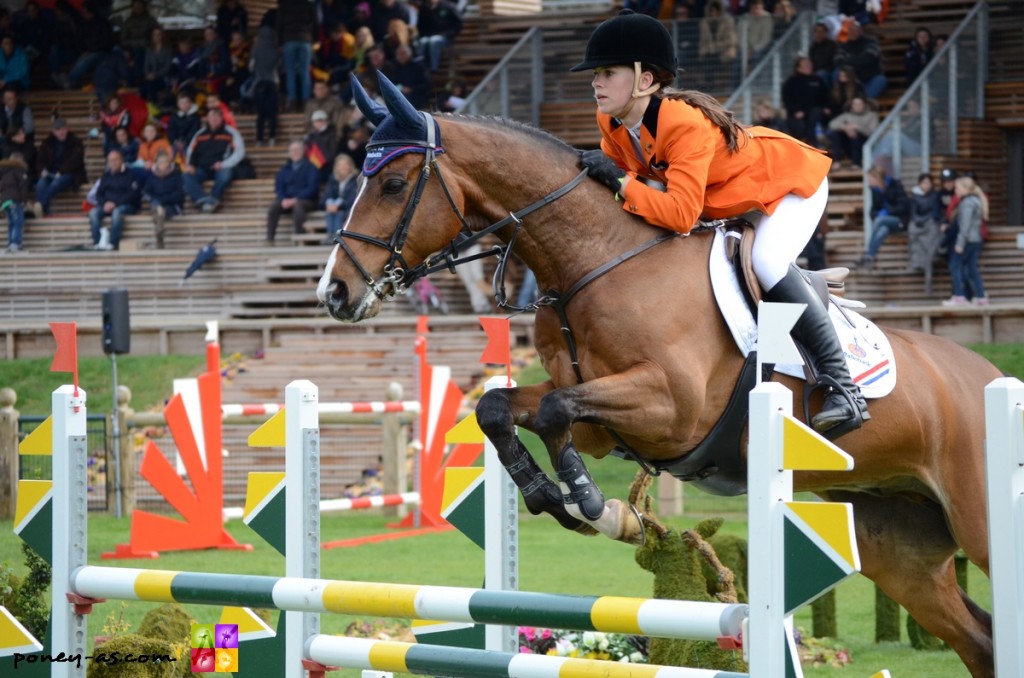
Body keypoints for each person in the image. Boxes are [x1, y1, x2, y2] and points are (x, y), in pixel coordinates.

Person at [572, 9, 867, 436]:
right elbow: (631, 197)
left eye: (607, 72)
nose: (595, 81)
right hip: (725, 200)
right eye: (595, 73)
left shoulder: (682, 122)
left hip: (786, 185)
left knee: (766, 260)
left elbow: (678, 214)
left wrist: (619, 180)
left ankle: (844, 388)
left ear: (645, 80)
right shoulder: (612, 123)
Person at [182, 107, 246, 213]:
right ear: (207, 118)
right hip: (202, 168)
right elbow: (191, 151)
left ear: (221, 118)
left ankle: (213, 199)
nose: (214, 118)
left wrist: (224, 164)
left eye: (217, 116)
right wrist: (191, 165)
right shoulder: (200, 134)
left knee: (225, 175)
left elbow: (240, 152)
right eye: (211, 116)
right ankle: (203, 200)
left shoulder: (230, 132)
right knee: (186, 176)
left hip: (221, 168)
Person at [941, 174, 988, 307]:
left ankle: (959, 296)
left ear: (965, 188)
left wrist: (959, 243)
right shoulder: (976, 200)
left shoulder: (967, 203)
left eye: (957, 187)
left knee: (955, 265)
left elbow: (965, 226)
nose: (955, 190)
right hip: (976, 239)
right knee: (972, 268)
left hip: (967, 240)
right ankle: (981, 297)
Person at [852, 165, 909, 269]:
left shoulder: (895, 185)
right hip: (886, 224)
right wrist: (877, 214)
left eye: (870, 178)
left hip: (900, 221)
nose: (869, 181)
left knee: (880, 220)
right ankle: (870, 257)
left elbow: (903, 207)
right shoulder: (875, 191)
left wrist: (887, 212)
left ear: (876, 177)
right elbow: (872, 211)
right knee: (882, 230)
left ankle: (867, 253)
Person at [266, 141, 320, 245]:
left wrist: (296, 199)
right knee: (274, 207)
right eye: (292, 150)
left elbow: (312, 189)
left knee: (298, 206)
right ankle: (270, 239)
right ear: (289, 153)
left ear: (303, 151)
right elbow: (279, 188)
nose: (295, 152)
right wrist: (282, 199)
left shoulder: (311, 168)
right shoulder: (284, 170)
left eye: (297, 150)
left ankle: (299, 238)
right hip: (287, 200)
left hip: (308, 201)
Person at [89, 149, 141, 251]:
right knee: (93, 213)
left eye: (116, 159)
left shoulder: (131, 174)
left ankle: (113, 243)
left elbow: (132, 194)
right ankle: (98, 242)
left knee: (117, 212)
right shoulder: (105, 176)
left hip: (126, 205)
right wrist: (105, 203)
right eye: (111, 160)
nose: (113, 162)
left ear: (121, 160)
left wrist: (115, 203)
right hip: (107, 205)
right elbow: (99, 194)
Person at [34, 119, 87, 217]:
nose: (61, 132)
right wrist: (42, 170)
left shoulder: (75, 142)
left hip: (70, 174)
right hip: (50, 173)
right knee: (40, 184)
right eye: (58, 130)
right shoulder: (47, 143)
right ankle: (43, 211)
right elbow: (40, 160)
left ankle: (40, 206)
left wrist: (61, 171)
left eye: (63, 129)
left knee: (55, 184)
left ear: (67, 129)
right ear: (53, 132)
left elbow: (75, 161)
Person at [277, 0, 318, 111]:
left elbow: (279, 23)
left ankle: (292, 103)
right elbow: (316, 22)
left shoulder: (285, 4)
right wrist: (316, 39)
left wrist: (280, 42)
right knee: (305, 72)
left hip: (289, 40)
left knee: (290, 73)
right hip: (305, 39)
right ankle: (306, 103)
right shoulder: (309, 4)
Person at [832, 21, 885, 99]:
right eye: (850, 30)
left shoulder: (871, 41)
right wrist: (859, 61)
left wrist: (849, 59)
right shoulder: (843, 46)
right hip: (851, 78)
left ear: (860, 31)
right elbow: (837, 60)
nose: (852, 32)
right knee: (836, 72)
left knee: (881, 80)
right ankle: (844, 101)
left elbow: (869, 58)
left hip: (869, 77)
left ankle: (864, 102)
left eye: (855, 30)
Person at [906, 172, 942, 286]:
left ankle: (931, 259)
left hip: (930, 224)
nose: (926, 185)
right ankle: (918, 262)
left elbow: (935, 212)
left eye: (928, 183)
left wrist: (927, 220)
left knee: (933, 235)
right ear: (919, 184)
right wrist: (919, 221)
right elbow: (912, 212)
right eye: (924, 183)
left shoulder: (935, 196)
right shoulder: (914, 196)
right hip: (918, 224)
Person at [782, 57, 827, 147]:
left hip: (814, 112)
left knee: (816, 114)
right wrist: (795, 111)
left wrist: (826, 107)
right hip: (797, 113)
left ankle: (812, 143)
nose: (809, 66)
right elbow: (787, 99)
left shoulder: (817, 80)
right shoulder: (791, 82)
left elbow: (825, 96)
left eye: (810, 64)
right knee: (800, 126)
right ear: (798, 68)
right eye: (806, 65)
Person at [143, 151, 184, 249]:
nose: (163, 164)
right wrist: (156, 201)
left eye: (165, 162)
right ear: (157, 163)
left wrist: (162, 200)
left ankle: (159, 233)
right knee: (156, 206)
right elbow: (146, 192)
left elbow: (179, 195)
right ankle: (159, 231)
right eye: (161, 162)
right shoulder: (152, 177)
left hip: (172, 206)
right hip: (156, 204)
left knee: (158, 208)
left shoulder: (176, 176)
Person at [826, 95, 877, 169]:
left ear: (864, 104)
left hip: (864, 143)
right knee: (835, 134)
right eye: (855, 104)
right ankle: (837, 161)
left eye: (860, 104)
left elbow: (873, 133)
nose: (857, 106)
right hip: (849, 144)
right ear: (852, 105)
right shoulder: (847, 115)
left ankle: (856, 163)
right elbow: (832, 124)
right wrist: (845, 128)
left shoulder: (872, 115)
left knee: (855, 135)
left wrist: (857, 127)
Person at [697, 0, 738, 90]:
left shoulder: (728, 21)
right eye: (711, 11)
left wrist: (716, 47)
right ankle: (710, 86)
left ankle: (723, 87)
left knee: (714, 59)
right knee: (707, 60)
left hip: (725, 51)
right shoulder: (704, 23)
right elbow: (702, 41)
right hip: (710, 52)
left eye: (715, 11)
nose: (713, 13)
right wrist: (702, 52)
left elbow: (731, 40)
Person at [250, 23, 280, 146]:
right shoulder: (275, 49)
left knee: (261, 113)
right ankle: (272, 137)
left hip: (259, 83)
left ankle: (259, 139)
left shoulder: (255, 49)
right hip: (273, 83)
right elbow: (280, 66)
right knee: (272, 112)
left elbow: (251, 67)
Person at [321, 153, 358, 243]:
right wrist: (329, 203)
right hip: (336, 208)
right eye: (340, 165)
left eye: (345, 164)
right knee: (330, 211)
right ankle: (330, 236)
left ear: (350, 166)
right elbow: (327, 194)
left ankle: (337, 236)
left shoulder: (356, 178)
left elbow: (352, 198)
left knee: (339, 213)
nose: (343, 167)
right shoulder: (333, 178)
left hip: (350, 207)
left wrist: (339, 205)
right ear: (336, 167)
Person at [417, 0, 463, 72]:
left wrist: (449, 34)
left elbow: (458, 23)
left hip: (446, 37)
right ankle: (422, 68)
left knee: (434, 41)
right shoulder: (424, 8)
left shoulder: (448, 6)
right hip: (429, 36)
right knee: (422, 41)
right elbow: (421, 26)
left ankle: (433, 68)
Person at [120, 0, 159, 85]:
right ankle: (138, 78)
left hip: (147, 46)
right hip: (132, 48)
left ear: (144, 8)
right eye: (135, 7)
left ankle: (141, 78)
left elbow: (157, 33)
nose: (137, 9)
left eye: (139, 7)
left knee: (144, 53)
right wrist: (126, 49)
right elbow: (123, 38)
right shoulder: (129, 21)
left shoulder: (150, 20)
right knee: (136, 53)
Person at [0, 151, 28, 253]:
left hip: (5, 201)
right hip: (15, 200)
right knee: (18, 222)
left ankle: (11, 243)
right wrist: (24, 201)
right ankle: (15, 244)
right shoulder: (19, 170)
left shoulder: (3, 171)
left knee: (11, 222)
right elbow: (23, 186)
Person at [142, 26, 173, 104]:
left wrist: (155, 75)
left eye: (158, 34)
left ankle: (155, 105)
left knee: (152, 86)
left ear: (162, 36)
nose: (156, 37)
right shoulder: (149, 49)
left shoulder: (167, 49)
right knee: (143, 88)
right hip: (150, 77)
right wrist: (148, 74)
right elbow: (146, 65)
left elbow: (167, 67)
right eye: (154, 35)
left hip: (162, 77)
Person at [304, 110, 338, 180]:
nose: (318, 123)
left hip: (327, 167)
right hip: (313, 165)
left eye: (321, 120)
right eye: (316, 121)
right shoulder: (310, 136)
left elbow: (331, 154)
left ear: (325, 121)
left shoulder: (332, 134)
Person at [168, 93, 201, 164]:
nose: (184, 104)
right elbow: (170, 130)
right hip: (175, 143)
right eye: (182, 103)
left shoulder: (195, 117)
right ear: (178, 104)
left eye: (186, 102)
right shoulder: (174, 116)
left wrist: (185, 142)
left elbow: (194, 131)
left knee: (187, 158)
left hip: (189, 143)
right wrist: (175, 141)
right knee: (169, 157)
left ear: (190, 103)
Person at [809, 21, 837, 86]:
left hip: (830, 70)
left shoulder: (833, 45)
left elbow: (834, 61)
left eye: (821, 32)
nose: (818, 34)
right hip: (818, 71)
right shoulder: (813, 47)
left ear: (825, 33)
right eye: (816, 32)